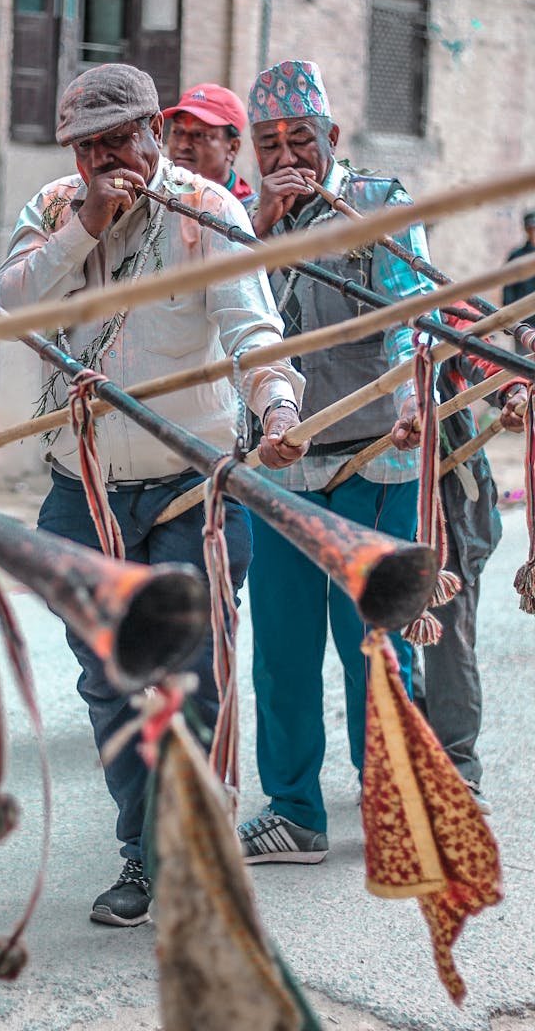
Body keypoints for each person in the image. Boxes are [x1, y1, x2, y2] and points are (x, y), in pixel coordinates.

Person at [0, 63, 306, 927]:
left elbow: (254, 332)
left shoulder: (209, 212)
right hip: (80, 490)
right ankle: (144, 850)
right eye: (89, 147)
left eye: (121, 140)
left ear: (155, 134)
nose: (107, 160)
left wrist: (277, 406)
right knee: (111, 680)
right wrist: (84, 226)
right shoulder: (55, 206)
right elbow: (4, 305)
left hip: (189, 489)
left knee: (193, 681)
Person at [237, 59, 436, 865]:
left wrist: (412, 396)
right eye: (269, 143)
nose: (287, 156)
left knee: (378, 644)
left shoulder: (382, 204)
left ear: (333, 137)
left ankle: (397, 803)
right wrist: (262, 231)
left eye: (301, 140)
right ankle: (295, 810)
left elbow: (409, 314)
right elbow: (236, 318)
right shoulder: (242, 222)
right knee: (282, 652)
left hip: (375, 460)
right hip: (281, 465)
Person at [416, 317, 527, 814]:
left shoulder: (424, 294)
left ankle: (457, 768)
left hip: (446, 493)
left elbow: (477, 351)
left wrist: (512, 391)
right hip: (361, 484)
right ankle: (409, 751)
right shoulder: (292, 283)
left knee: (447, 632)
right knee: (377, 635)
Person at [163, 82, 256, 204]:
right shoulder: (153, 194)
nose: (183, 145)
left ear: (233, 147)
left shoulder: (251, 214)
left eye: (199, 135)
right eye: (177, 132)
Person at [502, 211, 535, 352]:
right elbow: (508, 290)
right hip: (524, 323)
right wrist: (511, 318)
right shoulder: (516, 257)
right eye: (531, 229)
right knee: (524, 368)